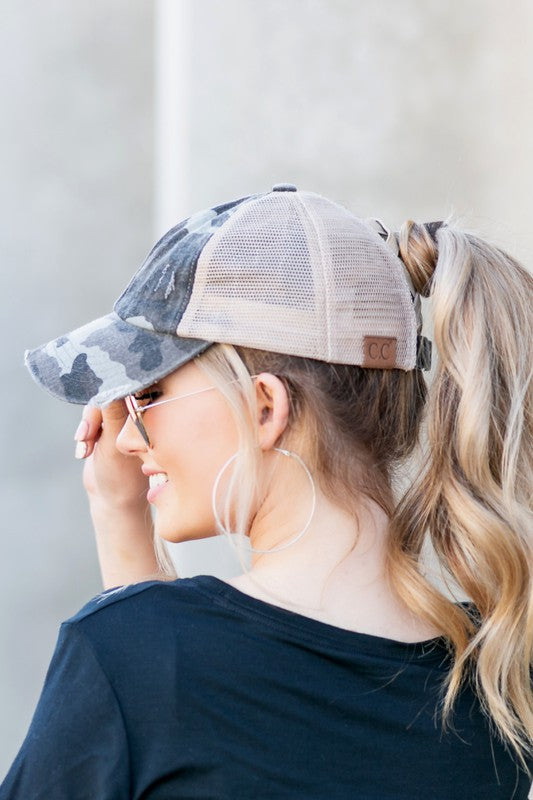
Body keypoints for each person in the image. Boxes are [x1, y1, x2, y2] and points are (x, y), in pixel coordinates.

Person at [0, 183, 531, 799]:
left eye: (148, 394)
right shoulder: (493, 685)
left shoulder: (133, 654)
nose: (124, 439)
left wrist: (120, 552)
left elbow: (170, 694)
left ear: (263, 406)